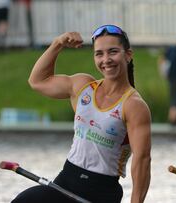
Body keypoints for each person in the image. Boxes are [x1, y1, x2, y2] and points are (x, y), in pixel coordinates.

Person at [12, 24, 151, 203]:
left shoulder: (134, 105)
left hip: (101, 191)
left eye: (113, 52)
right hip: (65, 182)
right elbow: (37, 81)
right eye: (99, 53)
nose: (106, 59)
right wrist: (57, 44)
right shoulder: (83, 86)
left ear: (128, 55)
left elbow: (142, 160)